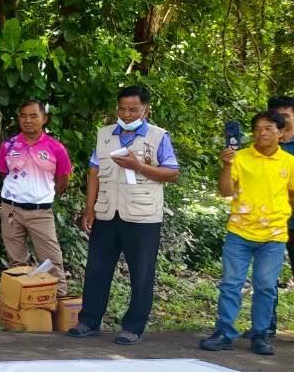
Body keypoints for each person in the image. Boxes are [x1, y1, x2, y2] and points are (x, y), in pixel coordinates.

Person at [67, 84, 180, 345]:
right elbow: (94, 172)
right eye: (122, 109)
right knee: (96, 269)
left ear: (146, 110)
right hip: (107, 213)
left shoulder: (158, 136)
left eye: (133, 109)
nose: (127, 114)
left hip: (142, 217)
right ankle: (89, 320)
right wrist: (89, 209)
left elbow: (172, 173)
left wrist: (139, 166)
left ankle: (133, 327)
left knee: (141, 273)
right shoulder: (105, 135)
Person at [199, 110, 294, 356]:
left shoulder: (289, 162)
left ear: (282, 133)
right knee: (231, 284)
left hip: (273, 235)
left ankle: (261, 334)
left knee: (266, 286)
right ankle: (224, 333)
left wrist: (283, 218)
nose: (262, 133)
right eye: (257, 129)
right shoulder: (239, 157)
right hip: (239, 231)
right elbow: (225, 191)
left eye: (269, 128)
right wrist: (227, 165)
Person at [0, 99, 72, 292]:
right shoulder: (8, 146)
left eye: (33, 115)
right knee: (16, 261)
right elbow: (3, 173)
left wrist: (44, 194)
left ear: (44, 118)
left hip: (40, 212)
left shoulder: (56, 148)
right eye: (23, 116)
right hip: (11, 209)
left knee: (52, 260)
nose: (28, 120)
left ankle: (60, 305)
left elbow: (63, 179)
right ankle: (24, 304)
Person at [267, 94, 294, 300]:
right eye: (277, 116)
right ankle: (266, 326)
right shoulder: (264, 145)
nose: (282, 121)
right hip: (268, 220)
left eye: (286, 115)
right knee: (266, 277)